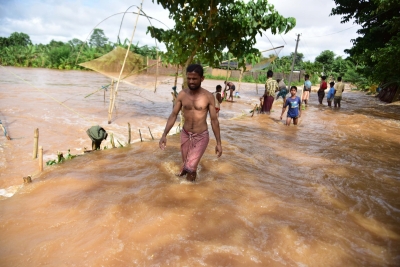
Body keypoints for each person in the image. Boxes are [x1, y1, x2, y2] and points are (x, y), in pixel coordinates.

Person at [159, 64, 222, 182]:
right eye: (189, 78)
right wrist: (164, 135)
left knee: (191, 168)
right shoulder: (182, 95)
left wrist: (218, 143)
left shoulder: (208, 96)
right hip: (185, 134)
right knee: (186, 163)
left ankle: (188, 192)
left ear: (202, 79)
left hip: (201, 136)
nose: (191, 81)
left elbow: (214, 120)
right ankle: (185, 175)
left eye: (194, 79)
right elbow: (173, 115)